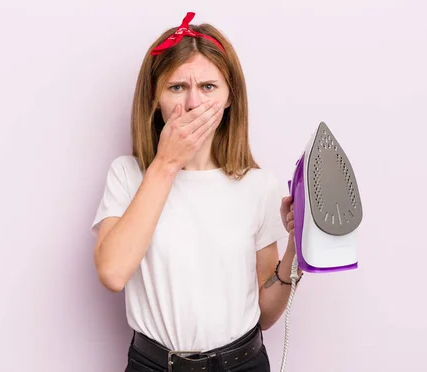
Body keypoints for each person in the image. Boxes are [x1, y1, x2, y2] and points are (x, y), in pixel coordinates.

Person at [91, 12, 303, 372]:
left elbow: (266, 314)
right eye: (177, 88)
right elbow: (112, 273)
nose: (192, 104)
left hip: (242, 363)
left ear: (229, 96)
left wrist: (296, 245)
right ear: (155, 97)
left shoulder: (258, 185)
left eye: (208, 87)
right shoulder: (127, 175)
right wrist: (166, 164)